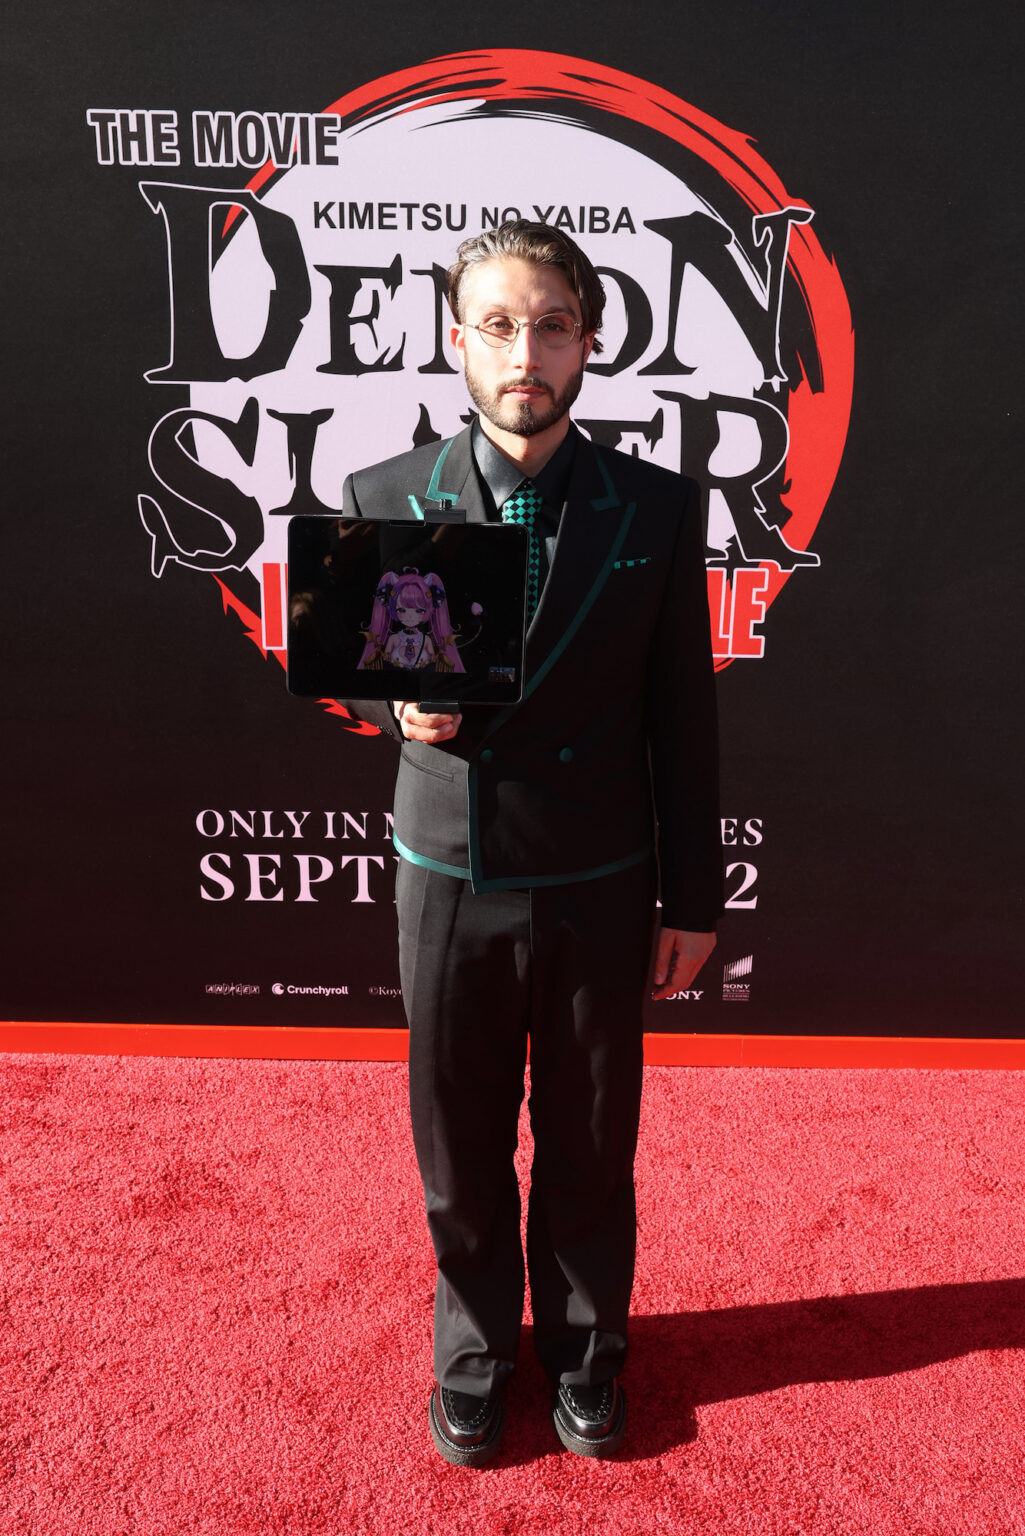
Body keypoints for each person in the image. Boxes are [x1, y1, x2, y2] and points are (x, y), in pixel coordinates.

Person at [340, 220, 721, 1466]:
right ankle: (471, 1352)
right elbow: (352, 677)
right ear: (457, 341)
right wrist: (392, 703)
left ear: (590, 339)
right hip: (448, 873)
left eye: (549, 323)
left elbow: (682, 712)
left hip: (599, 877)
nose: (525, 351)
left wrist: (693, 895)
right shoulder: (385, 497)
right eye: (496, 325)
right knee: (456, 1143)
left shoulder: (657, 508)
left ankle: (585, 1350)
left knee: (588, 1143)